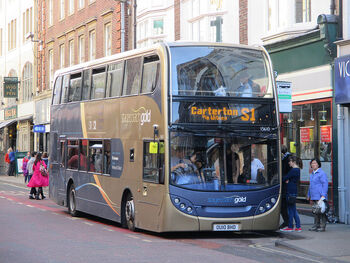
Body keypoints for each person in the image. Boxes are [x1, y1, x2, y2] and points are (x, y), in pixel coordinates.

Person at [280, 155, 302, 232]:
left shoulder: (293, 170)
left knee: (290, 210)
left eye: (290, 161)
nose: (289, 163)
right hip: (293, 191)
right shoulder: (297, 170)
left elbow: (284, 178)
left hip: (290, 191)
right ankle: (298, 226)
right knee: (293, 209)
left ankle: (290, 226)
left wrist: (287, 180)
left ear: (294, 162)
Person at [307, 158, 329, 232]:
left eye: (315, 163)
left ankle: (323, 226)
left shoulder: (322, 173)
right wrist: (308, 195)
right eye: (312, 163)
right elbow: (310, 185)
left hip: (320, 196)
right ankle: (316, 225)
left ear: (318, 164)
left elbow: (325, 184)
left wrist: (323, 195)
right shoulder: (312, 174)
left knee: (322, 211)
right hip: (314, 195)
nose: (313, 164)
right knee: (315, 211)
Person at [280, 145, 291, 229]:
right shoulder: (285, 159)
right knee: (284, 206)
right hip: (284, 185)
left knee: (285, 206)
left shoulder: (287, 159)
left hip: (286, 186)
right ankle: (287, 222)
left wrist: (285, 178)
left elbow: (287, 172)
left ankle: (288, 223)